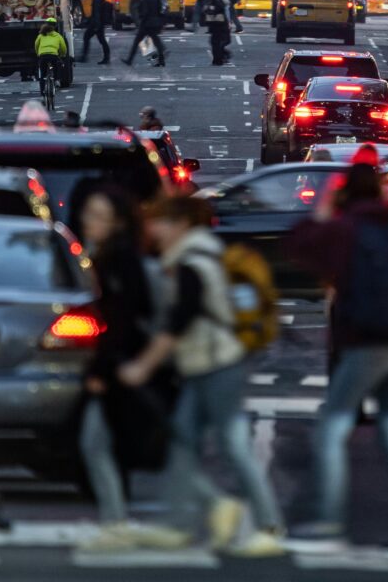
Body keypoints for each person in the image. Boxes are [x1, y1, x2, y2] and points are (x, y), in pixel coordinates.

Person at [285, 165, 388, 557]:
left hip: (366, 341)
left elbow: (299, 246)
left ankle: (328, 525)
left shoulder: (346, 229)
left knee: (332, 429)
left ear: (345, 196)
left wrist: (323, 208)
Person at [117, 195, 284, 556]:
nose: (151, 230)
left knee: (232, 445)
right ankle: (181, 523)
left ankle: (268, 526)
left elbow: (179, 323)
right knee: (183, 440)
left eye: (158, 222)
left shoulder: (193, 263)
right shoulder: (196, 257)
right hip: (205, 364)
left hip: (219, 364)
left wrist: (142, 367)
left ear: (179, 225)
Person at [76, 185, 179, 553]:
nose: (89, 222)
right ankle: (114, 521)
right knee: (103, 444)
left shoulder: (119, 261)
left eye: (98, 216)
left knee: (99, 443)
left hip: (122, 368)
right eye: (88, 214)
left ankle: (116, 522)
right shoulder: (101, 256)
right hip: (120, 366)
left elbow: (120, 321)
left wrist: (101, 372)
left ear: (118, 223)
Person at [122, 0, 166, 69]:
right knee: (157, 41)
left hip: (146, 24)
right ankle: (162, 60)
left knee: (136, 42)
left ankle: (129, 60)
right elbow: (159, 10)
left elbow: (144, 12)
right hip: (155, 23)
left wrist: (141, 18)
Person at [34, 20, 67, 96]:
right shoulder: (58, 36)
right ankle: (56, 80)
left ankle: (42, 92)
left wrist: (38, 53)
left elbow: (36, 45)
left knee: (42, 74)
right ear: (55, 26)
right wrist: (62, 55)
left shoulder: (41, 35)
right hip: (53, 55)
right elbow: (63, 47)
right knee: (56, 66)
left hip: (42, 56)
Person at [80, 0, 110, 65]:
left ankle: (84, 57)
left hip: (96, 24)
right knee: (101, 40)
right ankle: (106, 58)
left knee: (88, 37)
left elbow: (96, 13)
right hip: (98, 23)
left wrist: (96, 25)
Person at [202, 0, 231, 67]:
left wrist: (211, 9)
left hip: (218, 25)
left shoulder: (217, 0)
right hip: (215, 25)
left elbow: (220, 8)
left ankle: (218, 59)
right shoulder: (210, 0)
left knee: (216, 43)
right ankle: (218, 59)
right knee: (215, 43)